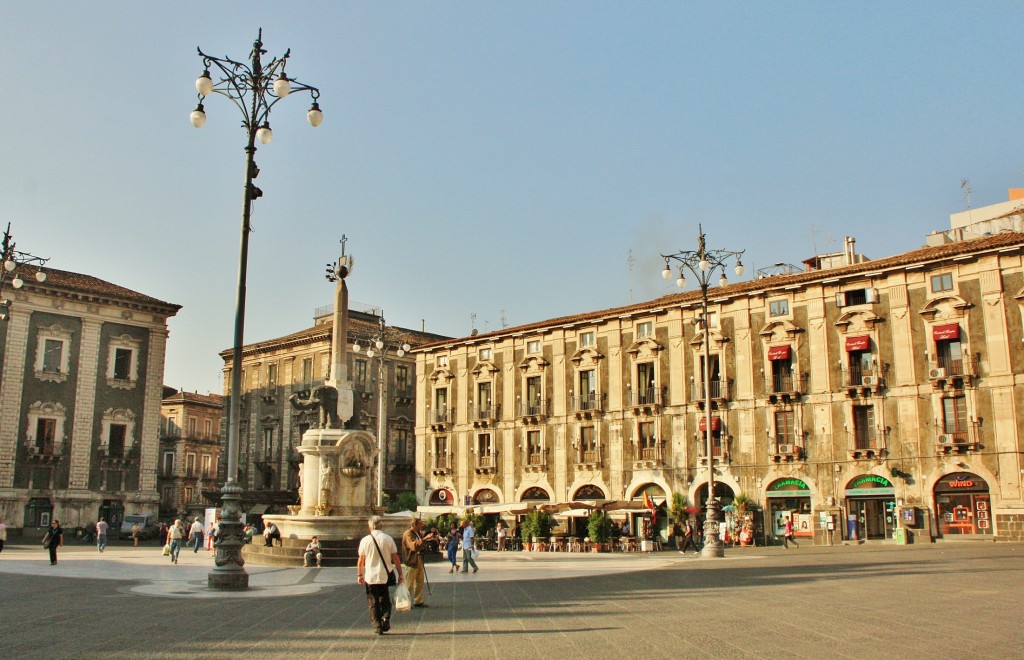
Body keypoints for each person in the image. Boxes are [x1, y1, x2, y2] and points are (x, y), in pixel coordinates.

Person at [357, 515, 404, 636]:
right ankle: (385, 618)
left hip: (370, 576)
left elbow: (361, 560)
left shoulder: (365, 540)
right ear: (381, 525)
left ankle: (377, 625)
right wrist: (400, 574)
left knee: (373, 601)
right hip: (385, 575)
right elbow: (395, 558)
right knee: (385, 598)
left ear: (370, 527)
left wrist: (359, 574)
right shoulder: (388, 539)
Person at [402, 517, 436, 607]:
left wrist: (426, 541)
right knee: (409, 583)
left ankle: (418, 601)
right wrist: (425, 539)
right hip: (411, 561)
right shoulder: (408, 534)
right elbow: (413, 546)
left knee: (420, 581)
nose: (422, 525)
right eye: (420, 524)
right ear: (414, 525)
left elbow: (420, 544)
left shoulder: (417, 533)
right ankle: (406, 602)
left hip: (419, 559)